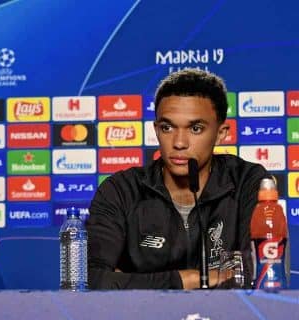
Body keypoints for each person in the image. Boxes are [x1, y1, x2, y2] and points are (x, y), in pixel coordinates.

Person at [86, 69, 268, 289]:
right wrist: (190, 279)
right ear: (156, 130)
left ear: (221, 133)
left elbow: (261, 272)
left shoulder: (247, 182)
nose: (179, 143)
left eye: (196, 128)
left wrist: (132, 281)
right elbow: (90, 279)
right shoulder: (121, 190)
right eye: (167, 127)